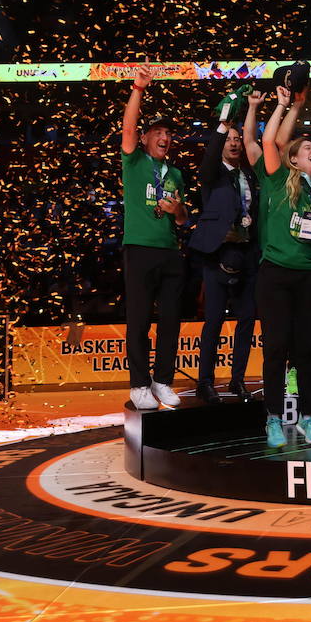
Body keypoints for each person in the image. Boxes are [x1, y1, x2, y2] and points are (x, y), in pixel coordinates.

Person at [253, 87, 311, 448]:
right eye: (306, 150)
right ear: (293, 160)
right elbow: (269, 138)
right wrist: (285, 104)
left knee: (309, 349)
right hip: (275, 273)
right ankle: (272, 417)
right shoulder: (276, 181)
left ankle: (310, 418)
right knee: (276, 347)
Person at [188, 87, 265, 404]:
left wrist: (251, 110)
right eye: (229, 139)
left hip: (248, 255)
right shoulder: (212, 173)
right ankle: (206, 383)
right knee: (214, 322)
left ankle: (237, 381)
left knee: (247, 321)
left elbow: (251, 140)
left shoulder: (250, 174)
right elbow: (209, 155)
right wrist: (222, 124)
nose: (234, 143)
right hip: (218, 255)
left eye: (237, 139)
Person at [120, 66, 189, 411]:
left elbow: (183, 218)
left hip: (169, 251)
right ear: (146, 139)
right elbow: (128, 127)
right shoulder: (134, 162)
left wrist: (176, 210)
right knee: (140, 319)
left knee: (171, 320)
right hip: (140, 249)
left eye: (168, 133)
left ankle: (162, 380)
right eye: (158, 132)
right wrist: (138, 89)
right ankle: (139, 384)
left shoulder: (175, 173)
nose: (165, 137)